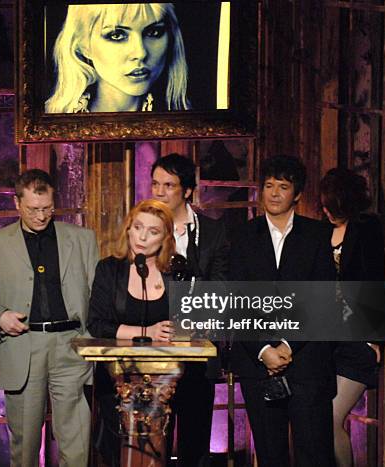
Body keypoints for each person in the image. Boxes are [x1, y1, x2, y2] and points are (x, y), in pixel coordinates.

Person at [0, 169, 99, 467]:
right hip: (23, 345)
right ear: (17, 204)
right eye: (33, 210)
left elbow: (98, 295)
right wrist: (0, 316)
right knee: (25, 445)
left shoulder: (81, 239)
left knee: (76, 440)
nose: (41, 216)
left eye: (47, 209)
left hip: (71, 345)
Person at [229, 155, 337, 467]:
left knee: (314, 455)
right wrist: (263, 349)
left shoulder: (317, 235)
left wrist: (288, 345)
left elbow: (323, 298)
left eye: (283, 186)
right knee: (269, 454)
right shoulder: (241, 235)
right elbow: (235, 300)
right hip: (256, 362)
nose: (274, 193)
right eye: (268, 186)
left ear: (297, 194)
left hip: (307, 363)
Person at [150, 153, 229, 466]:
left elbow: (222, 288)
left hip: (198, 349)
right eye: (155, 183)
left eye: (168, 185)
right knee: (154, 444)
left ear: (186, 190)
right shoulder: (143, 229)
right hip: (153, 351)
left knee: (194, 445)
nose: (158, 191)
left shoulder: (212, 232)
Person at [87, 199, 177, 466]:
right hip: (117, 381)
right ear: (128, 229)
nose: (142, 237)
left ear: (165, 239)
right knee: (116, 454)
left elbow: (189, 323)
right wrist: (147, 331)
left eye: (153, 231)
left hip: (165, 384)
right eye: (138, 227)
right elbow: (97, 324)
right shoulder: (109, 270)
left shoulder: (175, 273)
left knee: (156, 454)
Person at [320, 168, 385, 467]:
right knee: (318, 418)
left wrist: (374, 338)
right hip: (327, 339)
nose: (328, 212)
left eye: (334, 207)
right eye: (326, 206)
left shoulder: (366, 228)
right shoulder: (321, 231)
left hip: (357, 339)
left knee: (330, 417)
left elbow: (376, 282)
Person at [46, 3, 190, 113]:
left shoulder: (189, 121)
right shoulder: (47, 119)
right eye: (117, 35)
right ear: (84, 46)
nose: (140, 53)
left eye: (154, 32)